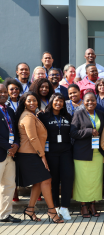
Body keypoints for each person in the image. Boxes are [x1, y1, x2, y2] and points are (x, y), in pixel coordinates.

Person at [15, 91, 64, 223]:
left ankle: (30, 209)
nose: (32, 103)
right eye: (29, 100)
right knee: (47, 180)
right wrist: (42, 156)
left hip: (33, 154)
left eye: (35, 100)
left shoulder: (31, 115)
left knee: (38, 182)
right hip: (29, 155)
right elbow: (33, 138)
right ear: (24, 102)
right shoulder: (28, 117)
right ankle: (52, 210)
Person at [37, 93, 73, 220]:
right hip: (50, 152)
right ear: (51, 101)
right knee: (54, 180)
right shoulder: (43, 116)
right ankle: (55, 207)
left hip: (66, 152)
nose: (59, 103)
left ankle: (65, 207)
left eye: (61, 101)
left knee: (67, 178)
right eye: (56, 101)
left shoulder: (68, 116)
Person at [70, 91, 104, 218]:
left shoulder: (101, 114)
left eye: (93, 100)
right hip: (82, 153)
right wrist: (89, 131)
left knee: (95, 181)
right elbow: (73, 133)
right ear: (83, 102)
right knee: (83, 181)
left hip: (97, 154)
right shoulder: (78, 114)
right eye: (87, 100)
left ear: (96, 102)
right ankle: (84, 205)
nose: (90, 102)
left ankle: (93, 204)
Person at [0, 84, 21, 223]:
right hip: (2, 152)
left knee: (9, 186)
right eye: (0, 92)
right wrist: (9, 147)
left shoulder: (10, 111)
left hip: (11, 155)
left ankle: (4, 215)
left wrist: (17, 145)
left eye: (4, 92)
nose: (3, 94)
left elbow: (16, 131)